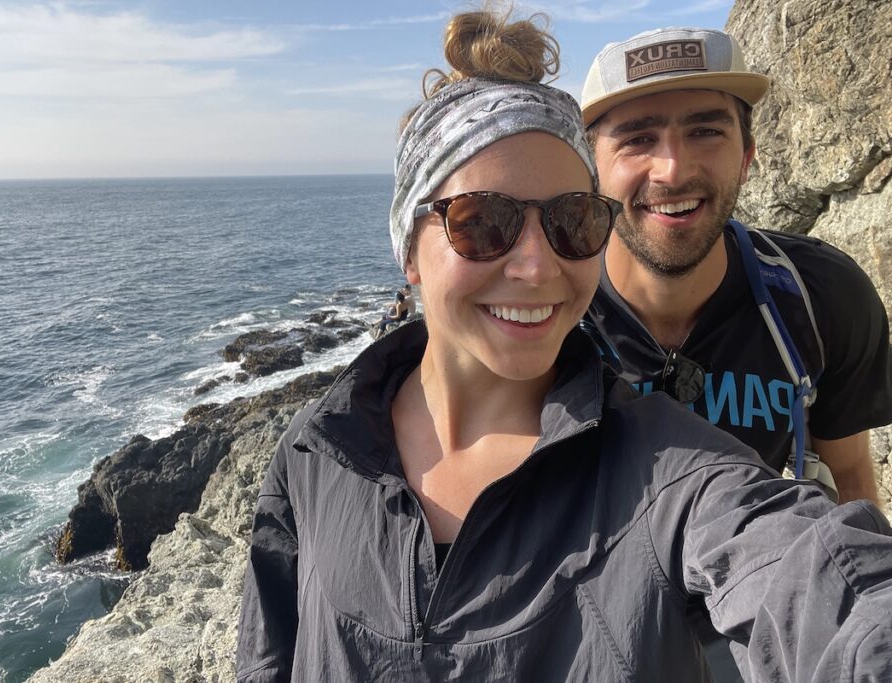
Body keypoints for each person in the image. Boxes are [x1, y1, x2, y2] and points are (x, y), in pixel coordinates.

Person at [237, 10, 892, 682]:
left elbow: (823, 568)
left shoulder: (682, 446)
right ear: (409, 247)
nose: (536, 266)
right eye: (482, 222)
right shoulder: (315, 455)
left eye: (569, 223)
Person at [579, 26, 892, 682]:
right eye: (637, 137)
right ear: (593, 171)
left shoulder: (817, 298)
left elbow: (852, 482)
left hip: (755, 624)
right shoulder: (551, 318)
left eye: (705, 130)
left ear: (748, 154)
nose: (673, 168)